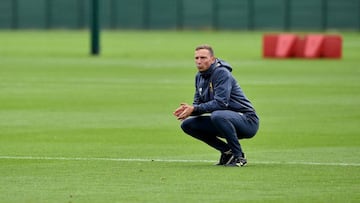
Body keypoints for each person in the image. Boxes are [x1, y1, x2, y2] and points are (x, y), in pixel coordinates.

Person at [173, 44, 259, 167]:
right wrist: (189, 110)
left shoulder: (221, 73)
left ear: (212, 59)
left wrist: (195, 108)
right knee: (188, 125)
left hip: (247, 120)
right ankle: (227, 151)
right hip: (224, 121)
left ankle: (239, 157)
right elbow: (198, 105)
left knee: (218, 115)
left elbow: (221, 103)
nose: (199, 61)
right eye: (196, 58)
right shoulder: (199, 77)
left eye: (203, 58)